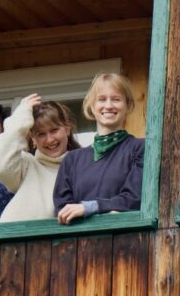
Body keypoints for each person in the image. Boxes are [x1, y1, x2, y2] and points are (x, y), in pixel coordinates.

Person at [54, 73, 143, 224]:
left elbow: (134, 198)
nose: (108, 106)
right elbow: (64, 210)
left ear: (128, 105)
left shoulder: (139, 148)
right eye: (101, 99)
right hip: (78, 243)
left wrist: (89, 208)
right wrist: (109, 209)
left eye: (116, 99)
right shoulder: (72, 159)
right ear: (92, 106)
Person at [0, 94, 80, 222]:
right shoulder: (26, 165)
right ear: (33, 139)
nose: (50, 139)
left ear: (67, 129)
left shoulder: (82, 166)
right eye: (41, 134)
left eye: (54, 130)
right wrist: (20, 119)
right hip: (16, 239)